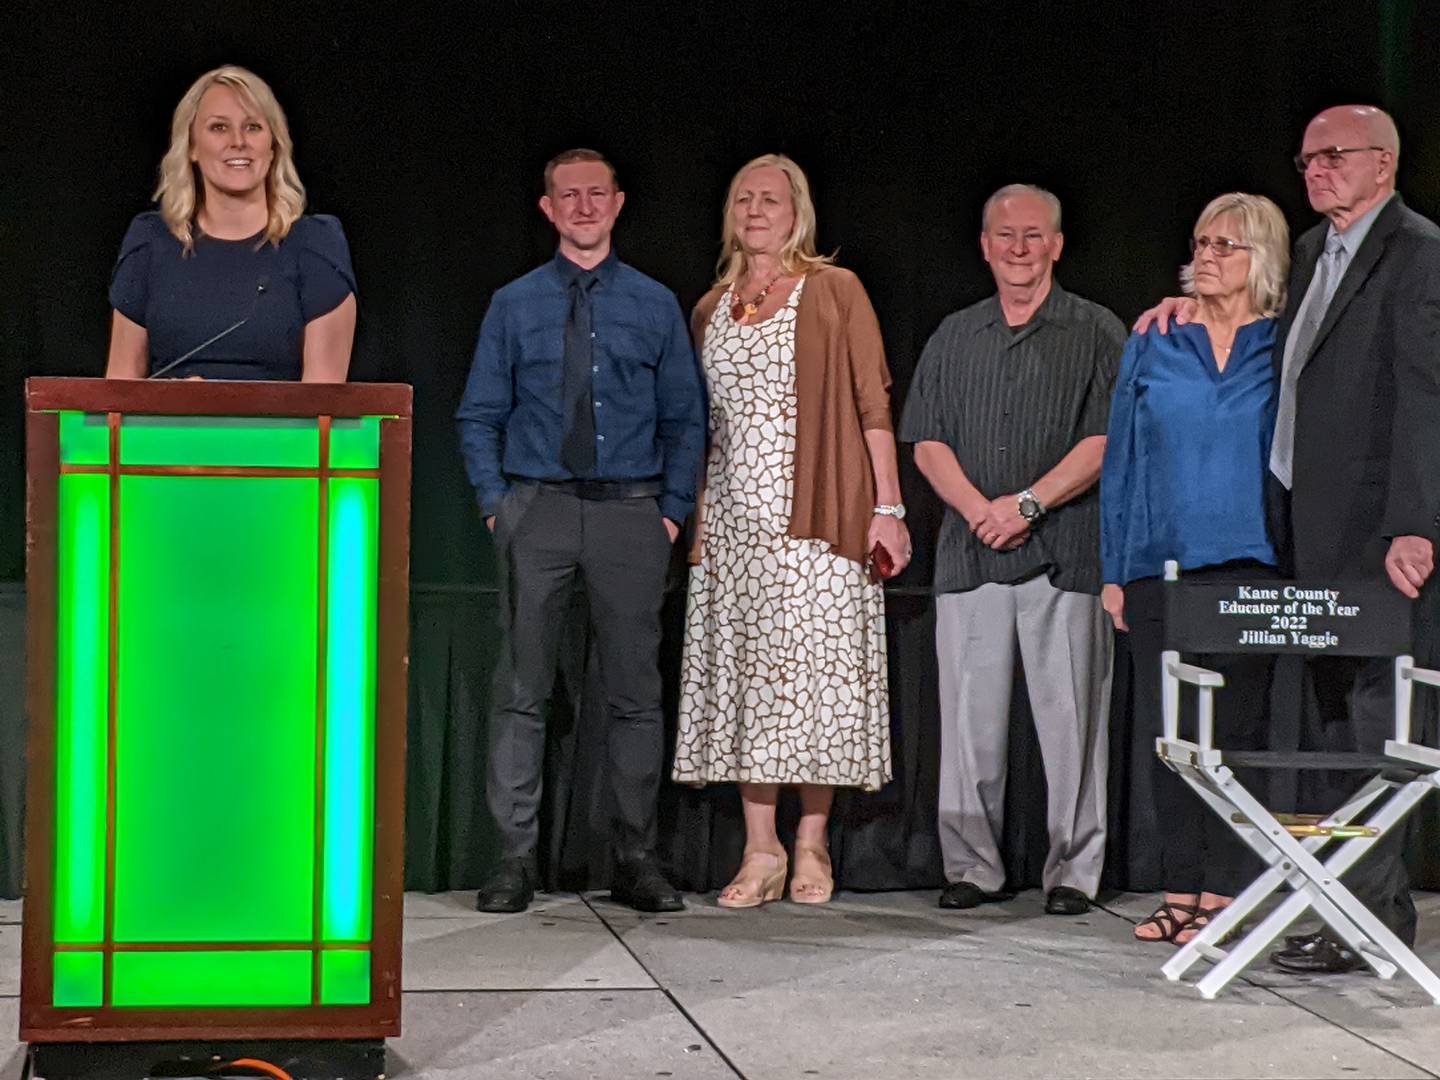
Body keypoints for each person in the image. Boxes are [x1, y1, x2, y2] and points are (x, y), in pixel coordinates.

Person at [1138, 106, 1440, 973]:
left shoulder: (1417, 253)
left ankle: (1366, 925)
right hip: (1304, 537)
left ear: (1384, 163)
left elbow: (1427, 395)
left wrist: (1416, 523)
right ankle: (1347, 913)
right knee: (1329, 734)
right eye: (1307, 158)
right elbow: (1258, 324)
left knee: (1378, 732)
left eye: (1335, 156)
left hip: (1381, 539)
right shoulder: (1311, 254)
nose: (1316, 170)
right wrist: (1188, 297)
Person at [456, 149, 706, 914]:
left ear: (619, 203)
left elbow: (686, 418)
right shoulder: (514, 303)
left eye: (597, 194)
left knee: (634, 694)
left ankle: (635, 859)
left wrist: (669, 510)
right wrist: (499, 505)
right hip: (540, 511)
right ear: (548, 208)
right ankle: (514, 861)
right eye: (570, 195)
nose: (584, 206)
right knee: (524, 690)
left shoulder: (656, 303)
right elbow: (479, 414)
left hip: (632, 513)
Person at [672, 154, 909, 908]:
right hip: (735, 529)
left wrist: (889, 508)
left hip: (820, 522)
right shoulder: (711, 307)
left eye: (770, 198)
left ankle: (812, 843)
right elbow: (698, 426)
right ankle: (760, 846)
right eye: (743, 197)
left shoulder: (834, 290)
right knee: (747, 682)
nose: (755, 209)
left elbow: (873, 406)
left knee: (815, 684)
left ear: (797, 211)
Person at [900, 184, 1124, 916]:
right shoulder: (954, 334)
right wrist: (978, 511)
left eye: (1034, 236)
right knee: (969, 727)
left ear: (1057, 244)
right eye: (1005, 235)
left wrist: (1028, 505)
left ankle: (1073, 872)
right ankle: (972, 867)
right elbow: (927, 439)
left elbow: (1105, 439)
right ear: (985, 244)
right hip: (971, 557)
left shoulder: (1096, 331)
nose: (1019, 249)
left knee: (1073, 729)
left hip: (1064, 552)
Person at [1102, 193, 1290, 945]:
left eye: (1227, 246)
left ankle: (1223, 895)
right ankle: (1178, 890)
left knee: (1234, 743)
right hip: (1161, 566)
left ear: (1263, 259)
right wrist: (1116, 567)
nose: (1206, 257)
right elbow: (1123, 459)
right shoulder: (1154, 340)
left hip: (1253, 564)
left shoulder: (1284, 343)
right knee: (1173, 741)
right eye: (1201, 243)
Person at [107, 65, 355, 381]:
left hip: (283, 432)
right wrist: (176, 410)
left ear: (274, 145)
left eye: (253, 127)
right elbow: (116, 394)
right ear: (192, 146)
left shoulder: (316, 245)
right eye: (219, 127)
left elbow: (325, 407)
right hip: (168, 431)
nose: (238, 141)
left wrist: (219, 408)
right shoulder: (149, 241)